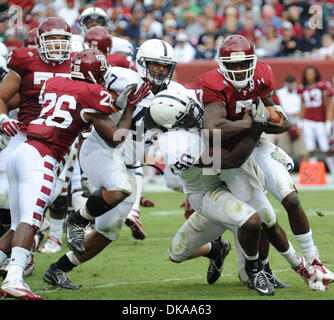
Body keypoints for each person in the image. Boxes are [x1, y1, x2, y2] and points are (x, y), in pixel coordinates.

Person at [0, 48, 148, 300]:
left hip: (21, 150)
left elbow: (76, 107)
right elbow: (114, 138)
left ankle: (11, 270)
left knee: (16, 225)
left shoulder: (56, 83)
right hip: (42, 156)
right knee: (30, 220)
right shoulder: (94, 93)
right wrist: (130, 107)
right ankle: (14, 278)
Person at [42, 39, 185, 289]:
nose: (161, 72)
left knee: (108, 231)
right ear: (141, 64)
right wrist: (117, 101)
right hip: (101, 149)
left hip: (128, 164)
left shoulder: (176, 94)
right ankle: (77, 220)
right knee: (120, 188)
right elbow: (85, 88)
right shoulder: (120, 77)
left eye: (165, 67)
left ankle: (58, 269)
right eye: (155, 65)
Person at [196, 35, 334, 291]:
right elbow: (213, 128)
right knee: (264, 218)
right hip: (229, 153)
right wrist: (253, 123)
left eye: (243, 64)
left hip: (256, 144)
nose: (238, 70)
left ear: (253, 61)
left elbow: (280, 119)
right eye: (233, 65)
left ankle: (313, 259)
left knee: (291, 199)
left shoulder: (262, 76)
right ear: (222, 64)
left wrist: (276, 121)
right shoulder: (212, 83)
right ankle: (274, 267)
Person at [144, 88, 304, 295]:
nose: (196, 113)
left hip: (229, 181)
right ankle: (217, 249)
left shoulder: (190, 103)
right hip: (207, 194)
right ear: (173, 124)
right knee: (177, 254)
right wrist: (253, 130)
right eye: (188, 115)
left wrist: (269, 150)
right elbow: (229, 160)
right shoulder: (175, 144)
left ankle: (259, 270)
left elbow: (230, 118)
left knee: (258, 220)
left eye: (192, 108)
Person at [0, 17, 73, 276]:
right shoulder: (25, 60)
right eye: (52, 38)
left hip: (59, 143)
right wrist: (3, 118)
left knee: (39, 203)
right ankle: (18, 264)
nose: (57, 44)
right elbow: (3, 96)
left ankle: (21, 258)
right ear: (40, 41)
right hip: (25, 135)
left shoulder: (76, 64)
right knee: (13, 199)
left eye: (62, 39)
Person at [298, 66, 334, 177]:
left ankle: (333, 170)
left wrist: (328, 121)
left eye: (312, 73)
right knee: (310, 147)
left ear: (316, 74)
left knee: (325, 147)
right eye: (308, 73)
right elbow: (302, 105)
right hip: (307, 121)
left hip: (320, 121)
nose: (309, 75)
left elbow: (327, 104)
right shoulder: (301, 87)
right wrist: (300, 122)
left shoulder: (322, 86)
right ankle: (314, 175)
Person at [275, 75, 308, 165]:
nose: (290, 86)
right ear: (285, 84)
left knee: (302, 152)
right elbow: (276, 109)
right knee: (282, 152)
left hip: (297, 124)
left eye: (292, 84)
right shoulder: (279, 93)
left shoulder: (300, 92)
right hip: (284, 124)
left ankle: (303, 175)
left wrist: (300, 124)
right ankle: (284, 174)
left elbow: (304, 108)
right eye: (288, 84)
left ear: (295, 83)